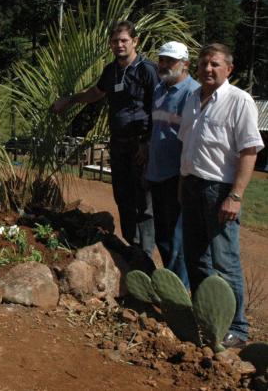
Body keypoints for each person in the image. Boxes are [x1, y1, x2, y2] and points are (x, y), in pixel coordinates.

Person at [178, 43, 264, 348]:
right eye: (203, 64)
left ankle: (237, 329)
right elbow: (187, 144)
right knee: (196, 258)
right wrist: (182, 183)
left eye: (215, 64)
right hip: (191, 186)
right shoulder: (191, 98)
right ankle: (207, 319)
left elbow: (249, 151)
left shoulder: (239, 101)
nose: (208, 69)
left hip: (219, 191)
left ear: (229, 69)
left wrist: (236, 196)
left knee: (224, 261)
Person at [52, 20, 159, 257]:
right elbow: (95, 93)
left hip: (140, 143)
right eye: (115, 41)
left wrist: (148, 143)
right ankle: (132, 245)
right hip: (118, 143)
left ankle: (146, 253)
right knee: (123, 195)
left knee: (144, 200)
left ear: (135, 42)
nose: (119, 45)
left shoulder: (147, 70)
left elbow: (158, 109)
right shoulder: (111, 70)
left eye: (124, 40)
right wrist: (69, 100)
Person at [145, 41, 199, 288]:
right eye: (162, 59)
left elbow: (192, 138)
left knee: (178, 240)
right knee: (162, 235)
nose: (164, 64)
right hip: (156, 172)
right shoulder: (159, 89)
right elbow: (156, 129)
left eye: (171, 61)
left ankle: (180, 291)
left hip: (177, 176)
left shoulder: (193, 93)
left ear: (185, 64)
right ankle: (171, 286)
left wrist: (184, 175)